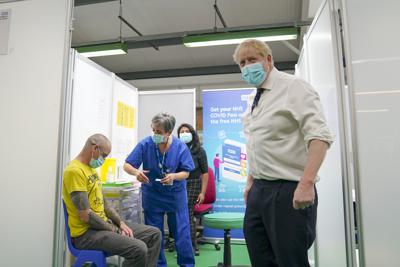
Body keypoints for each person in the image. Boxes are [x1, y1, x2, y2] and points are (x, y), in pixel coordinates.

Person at [233, 39, 334, 267]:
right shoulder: (254, 97)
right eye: (242, 62)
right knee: (260, 257)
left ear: (268, 60)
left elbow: (319, 136)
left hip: (288, 188)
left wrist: (307, 182)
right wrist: (251, 180)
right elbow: (257, 142)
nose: (247, 66)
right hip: (259, 189)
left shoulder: (293, 87)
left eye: (252, 59)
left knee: (290, 261)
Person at [62, 133, 162, 267]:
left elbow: (105, 205)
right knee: (138, 249)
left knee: (154, 234)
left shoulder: (91, 170)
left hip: (101, 227)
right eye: (104, 155)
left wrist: (120, 223)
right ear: (95, 148)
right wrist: (113, 229)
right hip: (85, 234)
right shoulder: (74, 171)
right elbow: (86, 215)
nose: (103, 159)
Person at [123, 112, 195, 267]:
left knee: (182, 236)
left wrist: (174, 176)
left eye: (159, 132)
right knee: (155, 236)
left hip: (175, 196)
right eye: (153, 130)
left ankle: (187, 264)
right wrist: (137, 172)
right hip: (153, 195)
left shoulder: (180, 147)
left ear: (168, 133)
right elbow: (127, 165)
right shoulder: (146, 144)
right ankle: (158, 265)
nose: (155, 134)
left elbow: (186, 172)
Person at [177, 123, 209, 255]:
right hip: (179, 183)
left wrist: (202, 192)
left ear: (192, 133)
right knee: (180, 213)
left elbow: (205, 173)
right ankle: (184, 244)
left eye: (187, 131)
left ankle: (191, 246)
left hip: (194, 183)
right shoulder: (176, 149)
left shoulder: (199, 151)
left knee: (186, 211)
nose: (184, 133)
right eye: (181, 131)